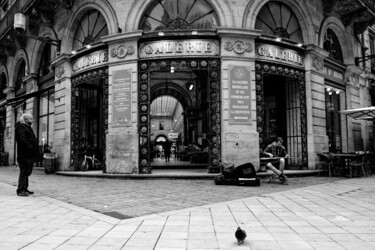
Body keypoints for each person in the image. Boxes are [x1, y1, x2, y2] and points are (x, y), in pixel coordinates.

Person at [15, 113, 40, 197]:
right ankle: (20, 190)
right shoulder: (21, 126)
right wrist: (30, 146)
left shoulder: (26, 126)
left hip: (29, 154)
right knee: (24, 172)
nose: (32, 120)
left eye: (32, 118)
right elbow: (21, 139)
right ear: (25, 119)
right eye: (31, 118)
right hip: (24, 154)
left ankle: (25, 188)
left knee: (27, 172)